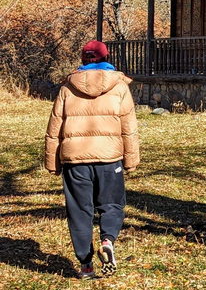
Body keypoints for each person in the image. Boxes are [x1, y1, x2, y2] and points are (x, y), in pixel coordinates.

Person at [44, 40, 139, 279]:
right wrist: (130, 160)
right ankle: (107, 241)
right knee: (111, 205)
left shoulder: (67, 88)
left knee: (79, 211)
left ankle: (86, 265)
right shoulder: (119, 87)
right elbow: (129, 127)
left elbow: (55, 127)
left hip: (75, 160)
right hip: (109, 158)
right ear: (106, 57)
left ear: (83, 59)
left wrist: (52, 162)